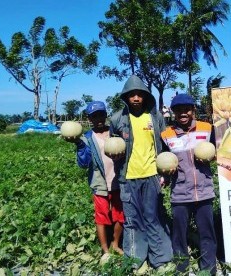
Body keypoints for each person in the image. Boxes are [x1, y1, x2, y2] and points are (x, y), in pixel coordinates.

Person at [108, 75, 173, 269]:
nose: (136, 98)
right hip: (128, 178)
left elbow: (165, 146)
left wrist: (165, 173)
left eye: (139, 95)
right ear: (126, 97)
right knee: (132, 221)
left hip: (152, 175)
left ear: (145, 96)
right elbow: (113, 146)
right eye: (131, 95)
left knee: (154, 217)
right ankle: (135, 261)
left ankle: (159, 259)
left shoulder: (155, 117)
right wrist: (115, 156)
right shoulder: (117, 118)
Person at [160, 94, 217, 275]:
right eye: (178, 110)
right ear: (173, 112)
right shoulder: (166, 135)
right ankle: (182, 268)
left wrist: (213, 156)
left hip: (204, 190)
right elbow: (164, 160)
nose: (183, 113)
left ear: (193, 110)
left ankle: (208, 269)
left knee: (207, 233)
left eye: (186, 109)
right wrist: (165, 175)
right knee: (179, 235)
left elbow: (219, 149)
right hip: (180, 192)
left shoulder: (207, 129)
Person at [63, 101, 124, 265]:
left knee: (119, 215)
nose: (98, 118)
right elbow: (83, 164)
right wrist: (78, 144)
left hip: (118, 181)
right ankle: (105, 250)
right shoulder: (86, 138)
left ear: (106, 115)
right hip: (99, 184)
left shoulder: (115, 133)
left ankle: (115, 244)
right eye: (94, 116)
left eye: (100, 114)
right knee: (102, 216)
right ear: (89, 118)